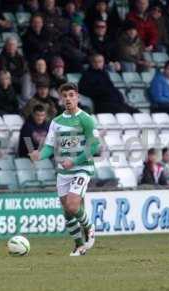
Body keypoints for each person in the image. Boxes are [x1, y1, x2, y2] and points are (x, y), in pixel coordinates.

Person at [29, 82, 98, 256]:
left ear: (77, 97)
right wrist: (40, 155)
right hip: (63, 172)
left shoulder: (86, 119)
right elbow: (50, 147)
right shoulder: (56, 122)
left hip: (82, 168)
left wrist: (74, 161)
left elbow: (94, 146)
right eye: (65, 96)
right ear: (61, 99)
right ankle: (79, 246)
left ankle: (89, 227)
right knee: (67, 212)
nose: (68, 98)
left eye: (71, 95)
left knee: (73, 204)